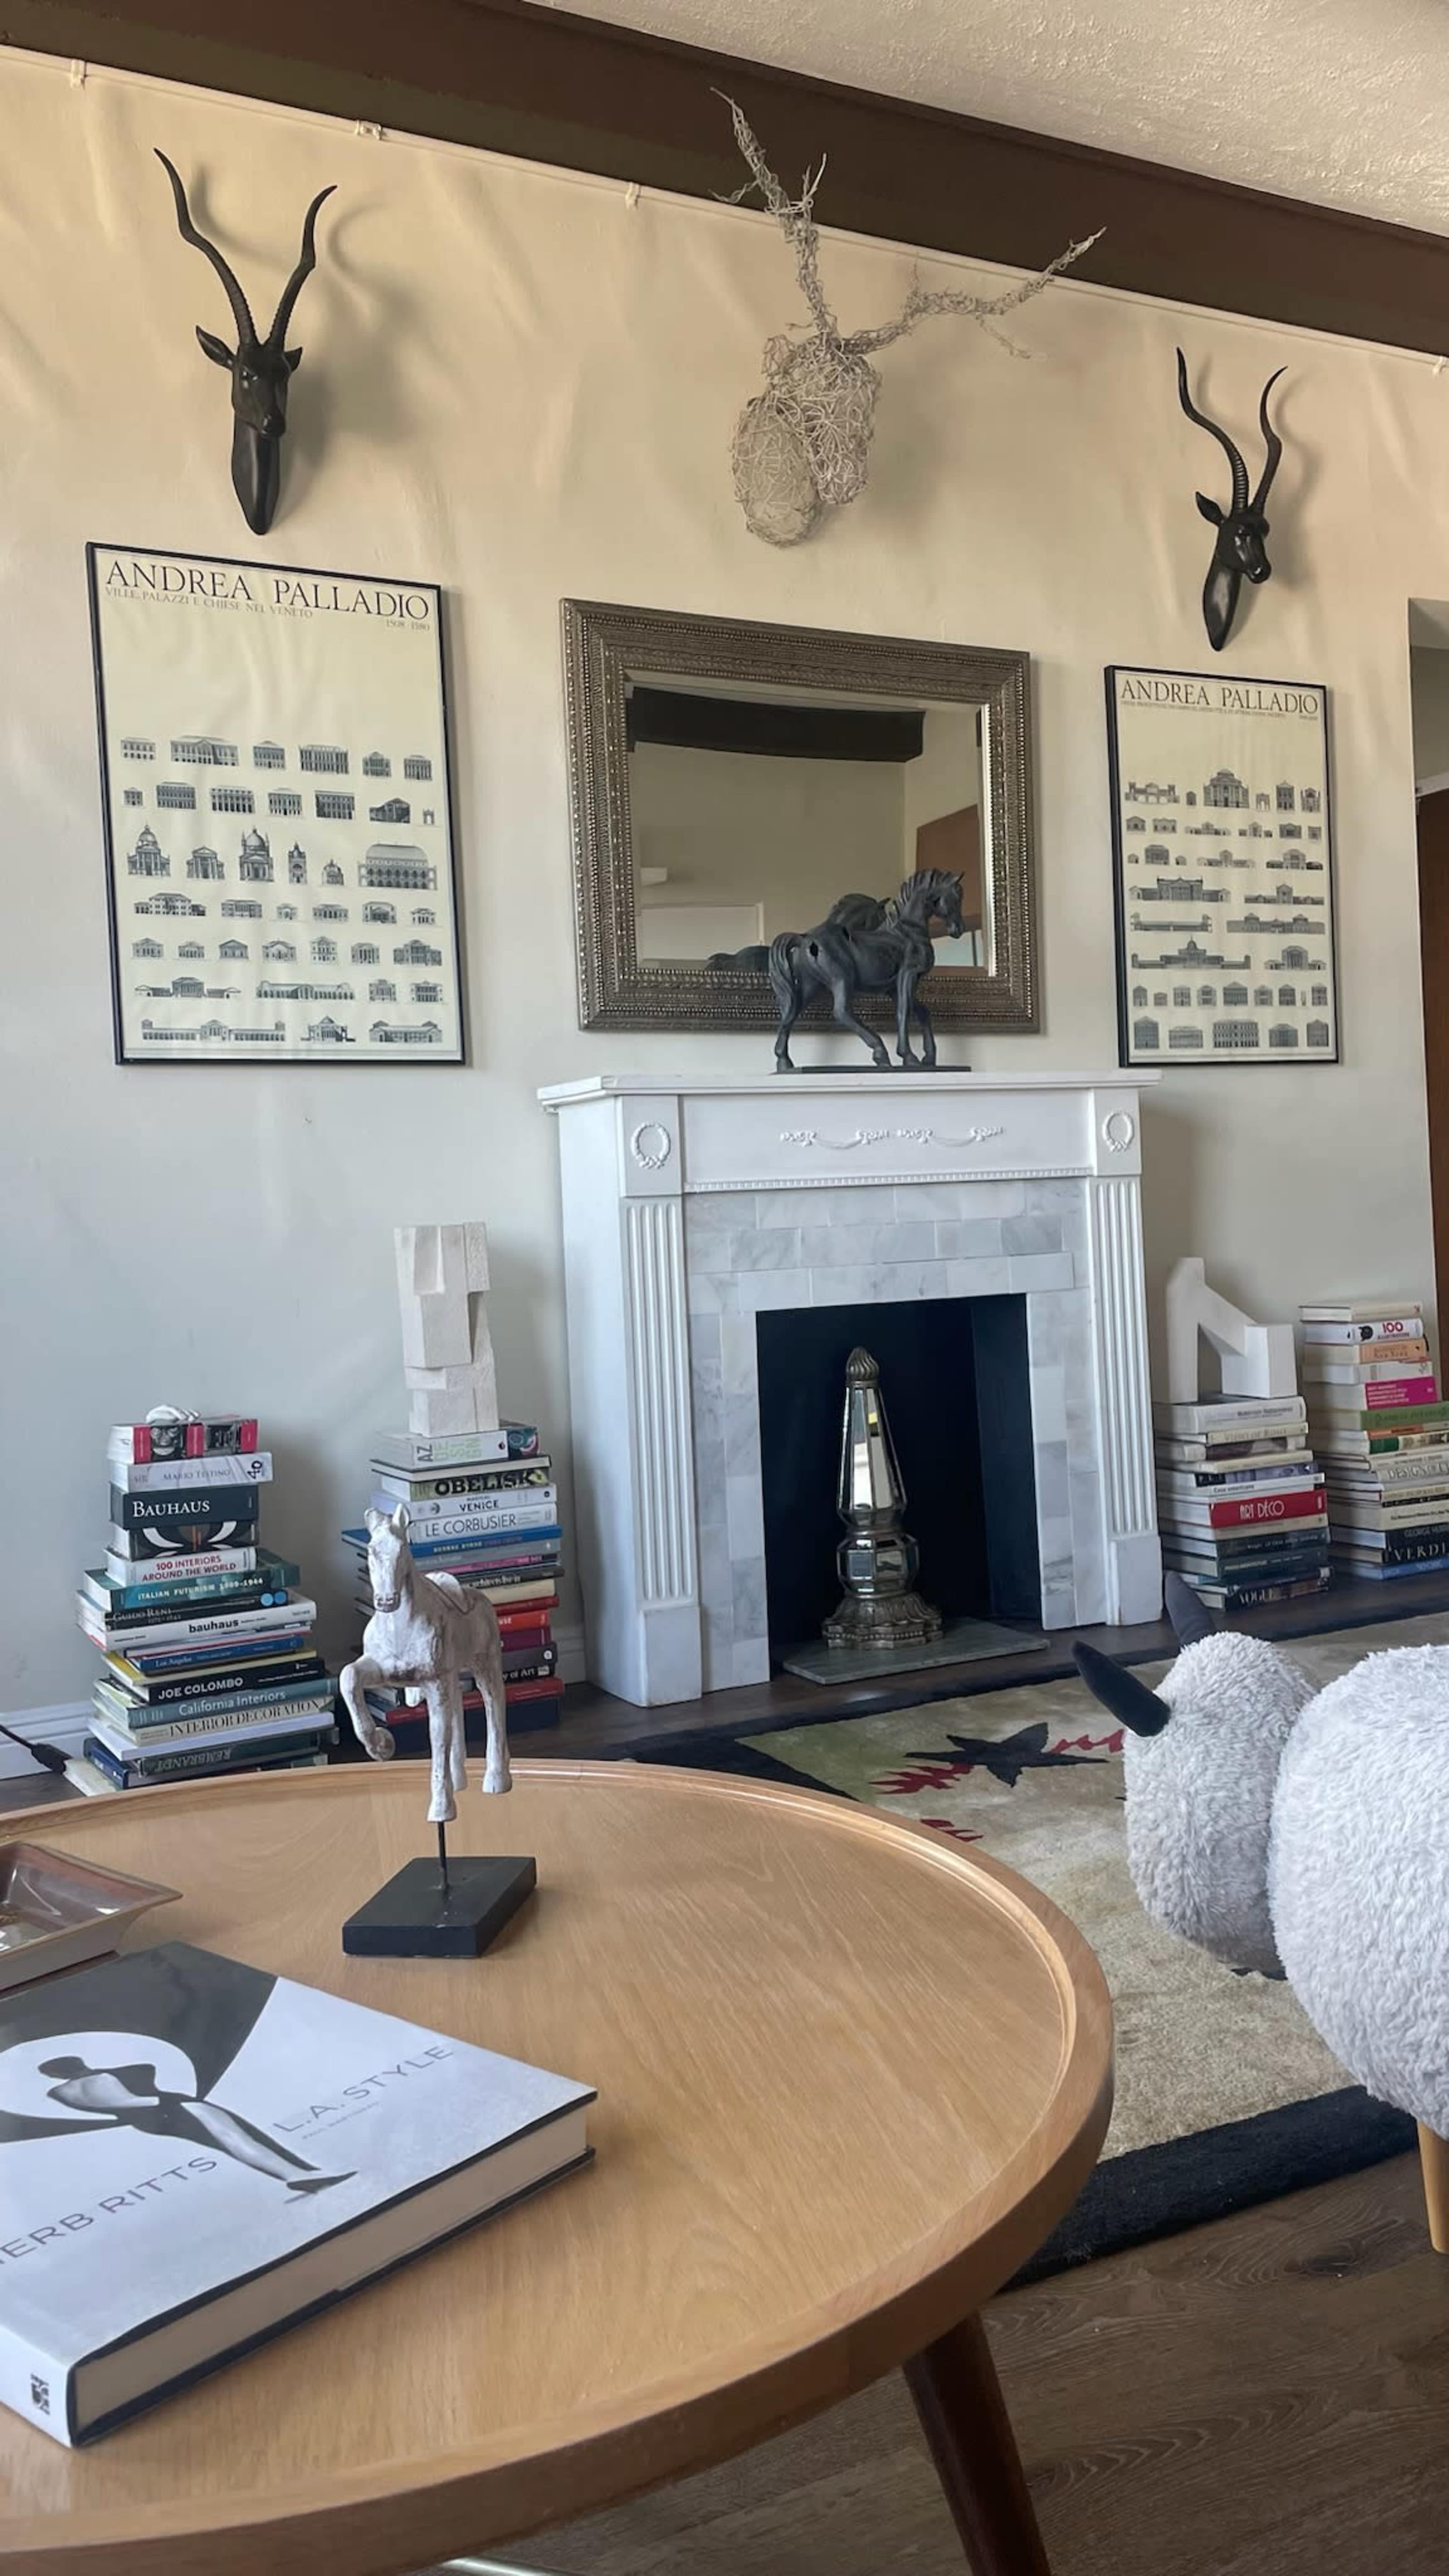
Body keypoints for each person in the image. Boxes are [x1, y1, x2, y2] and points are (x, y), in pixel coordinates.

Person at [37, 2055, 352, 2194]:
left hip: (151, 2119)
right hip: (172, 2107)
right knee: (237, 2139)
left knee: (233, 2141)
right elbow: (126, 2100)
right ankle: (297, 2174)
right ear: (79, 2064)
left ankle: (302, 2173)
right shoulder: (100, 2078)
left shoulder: (62, 2093)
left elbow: (117, 2108)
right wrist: (166, 2102)